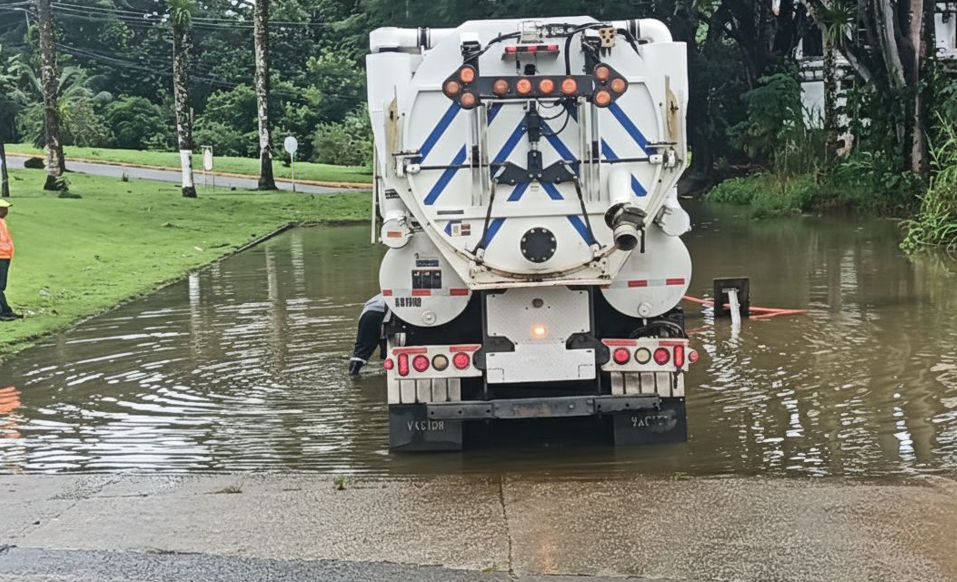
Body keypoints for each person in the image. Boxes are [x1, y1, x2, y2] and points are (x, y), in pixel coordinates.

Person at [349, 293, 390, 376]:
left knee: (361, 352)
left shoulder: (380, 296)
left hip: (368, 313)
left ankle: (353, 376)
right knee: (391, 350)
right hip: (389, 314)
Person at [0, 199, 18, 322]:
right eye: (3, 209)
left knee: (1, 286)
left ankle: (5, 310)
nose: (6, 211)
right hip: (1, 256)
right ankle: (3, 311)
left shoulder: (2, 222)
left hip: (5, 256)